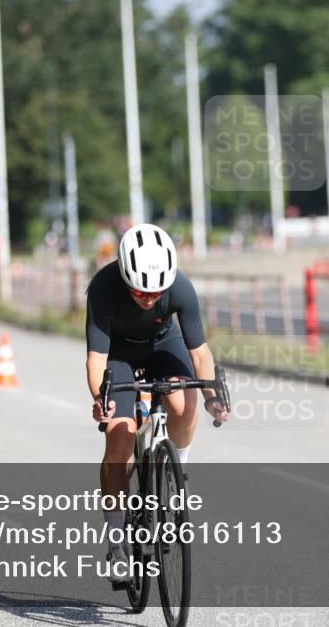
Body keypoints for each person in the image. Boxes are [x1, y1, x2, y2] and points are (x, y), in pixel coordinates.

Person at [86, 223, 227, 582]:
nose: (149, 298)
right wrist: (101, 400)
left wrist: (212, 397)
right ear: (124, 276)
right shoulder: (103, 288)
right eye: (140, 291)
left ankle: (178, 475)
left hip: (164, 345)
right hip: (118, 354)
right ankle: (116, 543)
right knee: (119, 437)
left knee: (184, 405)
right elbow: (96, 359)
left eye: (156, 292)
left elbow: (199, 352)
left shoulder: (181, 287)